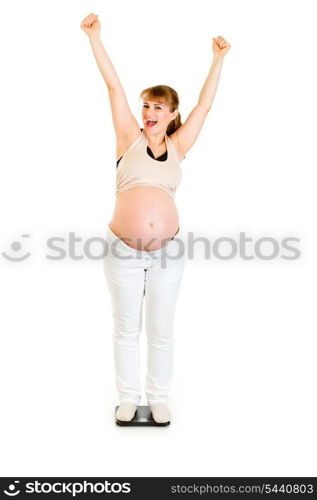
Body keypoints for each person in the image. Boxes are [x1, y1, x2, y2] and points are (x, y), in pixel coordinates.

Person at [80, 13, 231, 423]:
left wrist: (217, 59)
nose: (148, 111)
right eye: (146, 104)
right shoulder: (128, 138)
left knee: (161, 328)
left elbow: (205, 106)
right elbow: (113, 85)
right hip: (123, 250)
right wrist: (95, 37)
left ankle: (158, 397)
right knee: (126, 327)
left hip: (168, 252)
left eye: (157, 107)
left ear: (170, 114)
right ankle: (128, 397)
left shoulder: (180, 146)